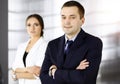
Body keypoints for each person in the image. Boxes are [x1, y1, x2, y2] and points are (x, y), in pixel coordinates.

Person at [40, 1, 103, 84]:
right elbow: (43, 77)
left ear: (82, 20)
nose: (67, 22)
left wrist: (55, 72)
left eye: (72, 17)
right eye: (63, 17)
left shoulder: (93, 43)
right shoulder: (52, 45)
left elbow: (85, 79)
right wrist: (74, 71)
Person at [12, 14, 47, 84]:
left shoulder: (45, 46)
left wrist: (17, 74)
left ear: (42, 27)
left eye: (36, 25)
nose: (32, 28)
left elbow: (38, 73)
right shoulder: (21, 46)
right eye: (29, 25)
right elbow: (14, 68)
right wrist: (27, 69)